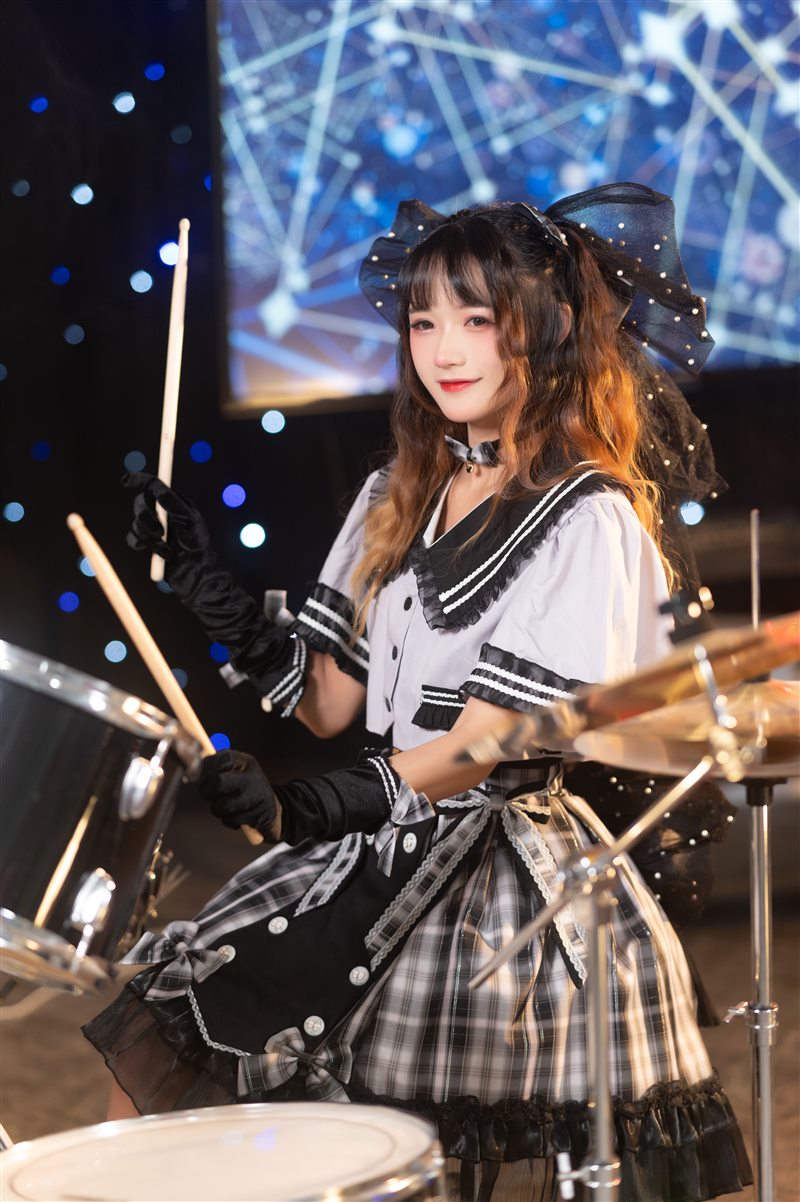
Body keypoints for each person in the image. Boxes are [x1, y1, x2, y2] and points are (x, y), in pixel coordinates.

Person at [84, 183, 752, 1201]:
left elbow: (480, 747)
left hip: (503, 884)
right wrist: (199, 579)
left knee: (435, 1158)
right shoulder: (398, 491)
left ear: (545, 330)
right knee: (174, 1024)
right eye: (423, 320)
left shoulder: (588, 519)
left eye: (476, 319)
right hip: (376, 834)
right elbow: (326, 704)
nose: (442, 348)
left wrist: (306, 806)